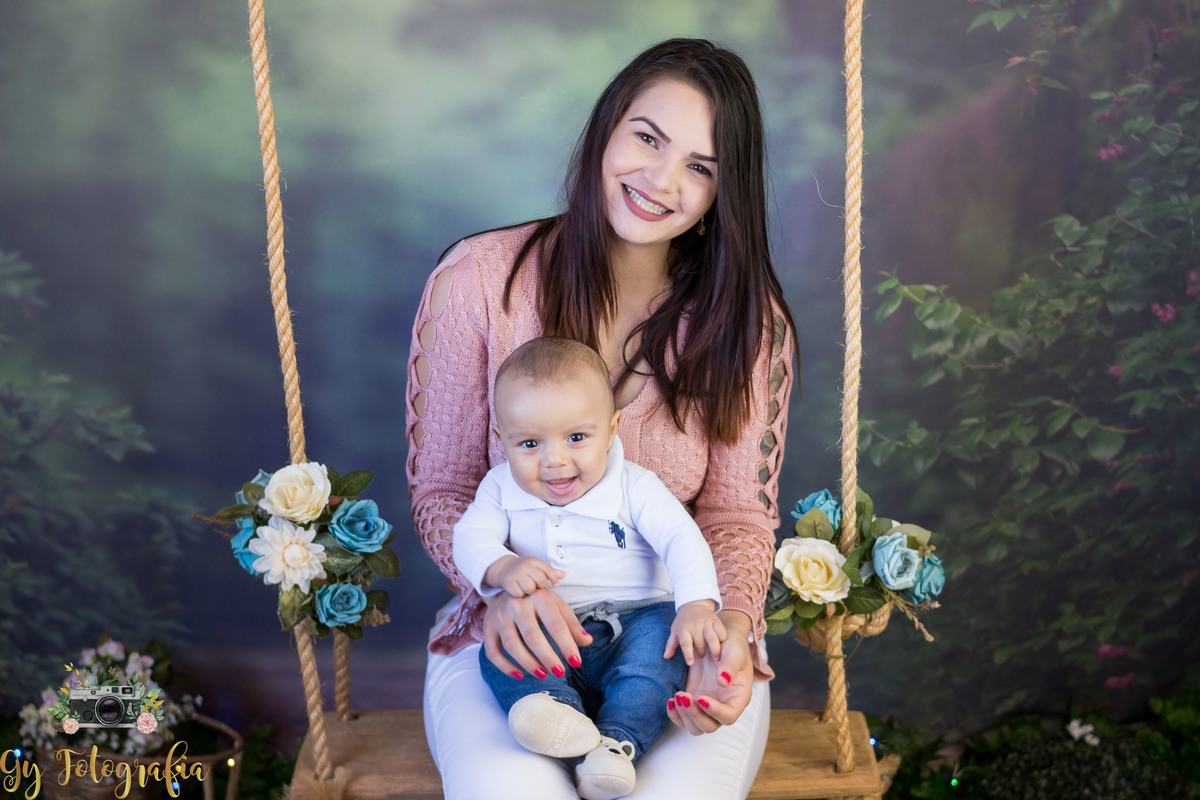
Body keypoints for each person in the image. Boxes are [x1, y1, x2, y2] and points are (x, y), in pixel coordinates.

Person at [407, 37, 798, 800]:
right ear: (607, 129)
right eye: (647, 139)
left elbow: (736, 518)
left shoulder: (748, 326)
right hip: (509, 641)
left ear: (724, 193)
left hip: (670, 638)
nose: (660, 179)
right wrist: (496, 592)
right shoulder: (480, 284)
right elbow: (443, 491)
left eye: (699, 167)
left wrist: (730, 632)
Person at [452, 336, 727, 800]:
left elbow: (682, 538)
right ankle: (555, 715)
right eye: (530, 443)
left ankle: (616, 744)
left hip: (636, 618)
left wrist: (697, 605)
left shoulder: (635, 486)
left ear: (612, 427)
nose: (554, 460)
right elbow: (468, 536)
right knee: (500, 651)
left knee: (659, 653)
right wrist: (501, 568)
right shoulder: (500, 489)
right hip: (551, 630)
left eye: (577, 437)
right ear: (501, 441)